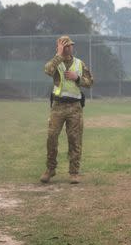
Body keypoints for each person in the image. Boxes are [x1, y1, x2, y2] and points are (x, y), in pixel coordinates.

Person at [40, 36, 93, 184]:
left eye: (70, 45)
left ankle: (74, 172)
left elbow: (90, 82)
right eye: (65, 46)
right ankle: (50, 169)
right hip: (58, 106)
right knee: (51, 137)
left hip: (75, 108)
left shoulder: (79, 63)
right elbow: (48, 70)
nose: (69, 48)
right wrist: (58, 55)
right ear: (60, 47)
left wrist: (77, 78)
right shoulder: (56, 63)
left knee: (75, 139)